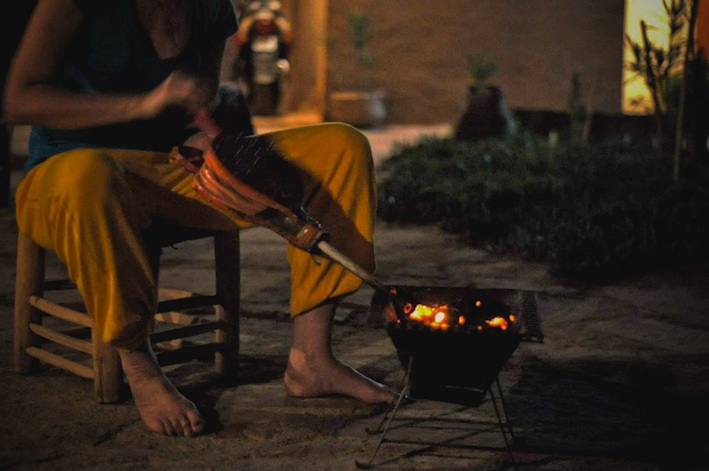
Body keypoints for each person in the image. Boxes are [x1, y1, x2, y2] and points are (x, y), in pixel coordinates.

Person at [4, 0, 393, 438]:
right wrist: (143, 104)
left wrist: (205, 133)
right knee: (91, 176)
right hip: (69, 174)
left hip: (173, 169)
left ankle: (312, 360)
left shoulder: (210, 7)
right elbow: (18, 99)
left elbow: (203, 95)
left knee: (341, 148)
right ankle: (140, 368)